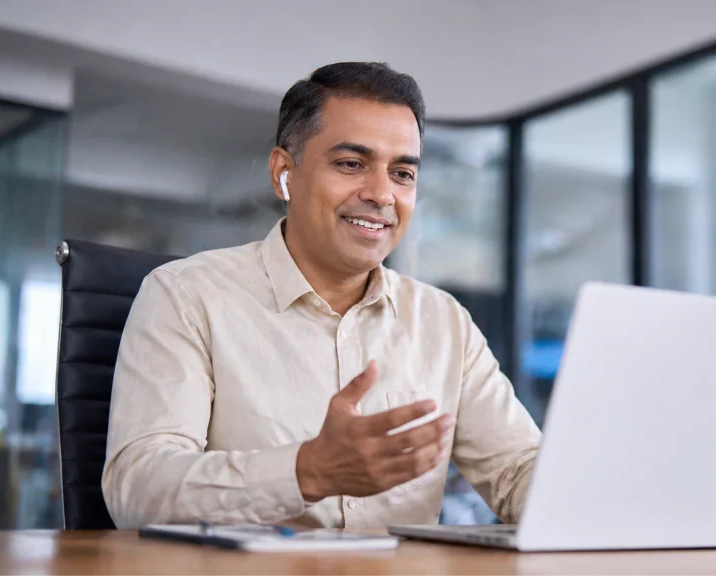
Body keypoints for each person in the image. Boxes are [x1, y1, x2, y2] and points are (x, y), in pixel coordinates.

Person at [101, 62, 541, 530]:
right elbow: (138, 488)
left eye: (402, 173)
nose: (382, 194)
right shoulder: (187, 295)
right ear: (284, 173)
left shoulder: (444, 321)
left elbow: (518, 471)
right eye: (352, 164)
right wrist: (307, 472)